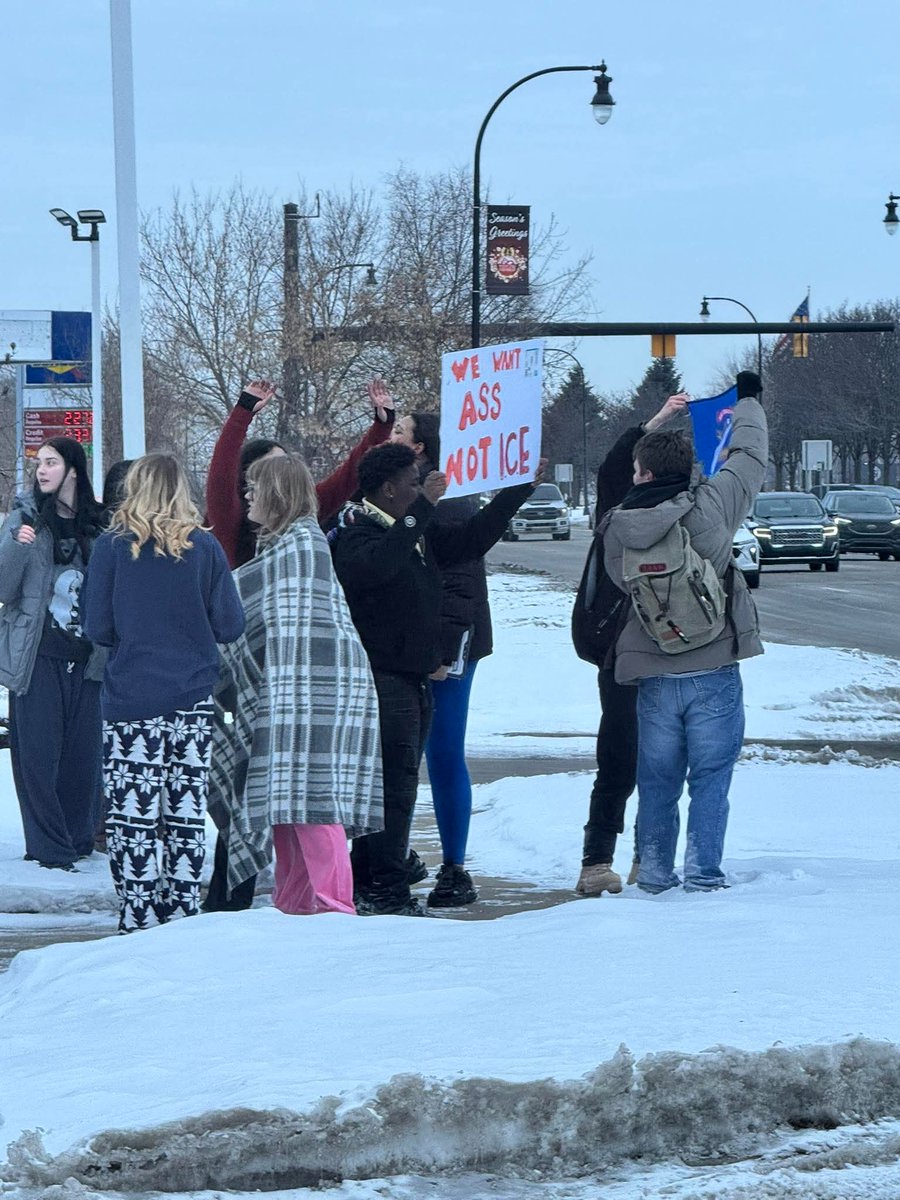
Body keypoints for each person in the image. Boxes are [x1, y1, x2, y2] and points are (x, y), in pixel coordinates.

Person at [202, 377, 394, 912]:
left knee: (309, 801)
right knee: (276, 801)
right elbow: (221, 473)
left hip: (308, 691)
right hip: (269, 686)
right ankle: (284, 908)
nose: (244, 496)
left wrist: (379, 429)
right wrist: (242, 412)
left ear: (275, 494)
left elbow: (344, 480)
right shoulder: (237, 530)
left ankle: (332, 907)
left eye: (254, 489)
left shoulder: (301, 544)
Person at [331, 442, 544, 916]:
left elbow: (470, 540)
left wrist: (515, 493)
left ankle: (374, 880)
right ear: (388, 490)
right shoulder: (358, 532)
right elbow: (380, 567)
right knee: (392, 789)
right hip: (382, 681)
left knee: (399, 785)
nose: (425, 490)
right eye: (414, 483)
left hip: (415, 678)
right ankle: (384, 888)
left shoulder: (413, 531)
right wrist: (422, 509)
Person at [599, 373, 768, 893]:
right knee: (711, 779)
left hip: (652, 670)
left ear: (643, 472)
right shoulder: (715, 503)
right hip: (714, 665)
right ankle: (703, 875)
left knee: (657, 782)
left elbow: (616, 584)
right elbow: (750, 454)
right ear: (690, 467)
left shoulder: (617, 526)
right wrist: (749, 401)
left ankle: (652, 874)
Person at [82, 453, 245, 932]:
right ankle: (181, 918)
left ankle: (138, 918)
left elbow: (97, 627)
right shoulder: (207, 548)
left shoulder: (111, 548)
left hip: (131, 700)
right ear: (181, 491)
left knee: (133, 817)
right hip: (192, 699)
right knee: (184, 811)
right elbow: (230, 625)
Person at [573, 394, 690, 898]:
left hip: (621, 653)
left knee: (616, 759)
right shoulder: (696, 512)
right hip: (684, 655)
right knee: (665, 763)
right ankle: (651, 858)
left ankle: (597, 862)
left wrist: (655, 421)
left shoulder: (616, 516)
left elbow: (608, 469)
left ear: (641, 473)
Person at [390, 409, 492, 908]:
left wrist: (444, 651)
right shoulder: (394, 494)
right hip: (405, 646)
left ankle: (454, 868)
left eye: (398, 432)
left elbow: (461, 586)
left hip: (447, 650)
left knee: (443, 752)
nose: (390, 437)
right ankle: (396, 853)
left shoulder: (449, 502)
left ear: (421, 448)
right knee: (401, 752)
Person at [0, 438, 107, 870]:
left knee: (83, 757)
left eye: (51, 462)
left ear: (73, 470)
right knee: (38, 758)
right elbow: (2, 589)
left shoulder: (99, 525)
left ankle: (79, 840)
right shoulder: (24, 520)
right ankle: (48, 849)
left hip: (89, 658)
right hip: (37, 654)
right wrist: (18, 545)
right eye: (39, 463)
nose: (42, 470)